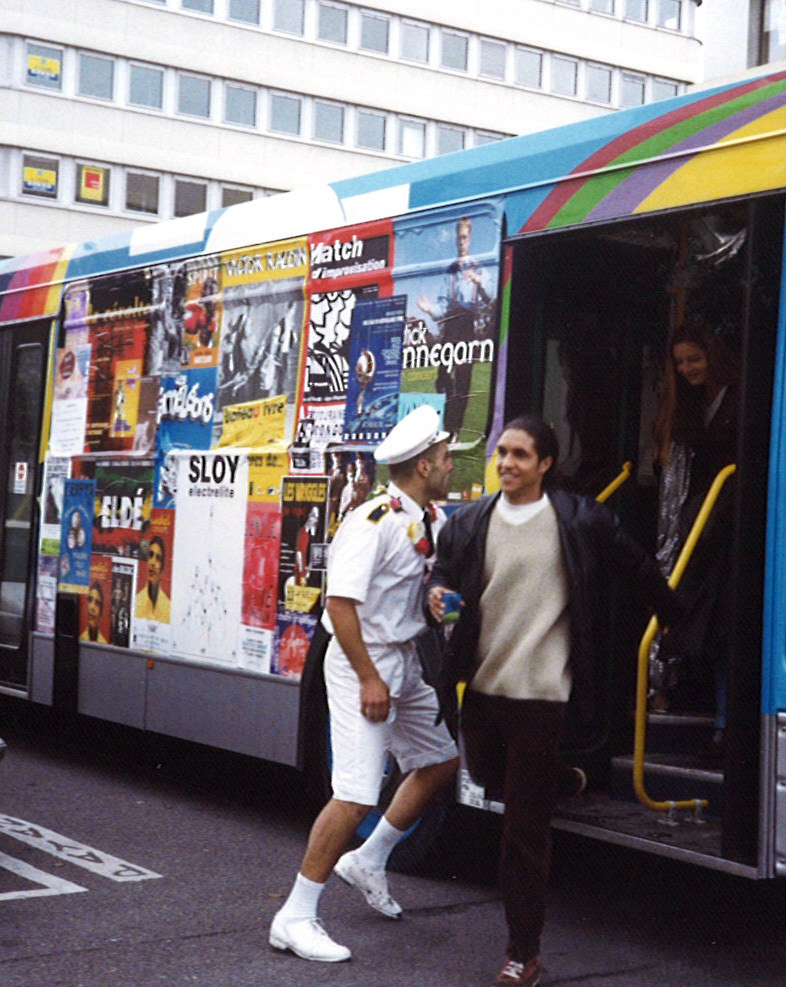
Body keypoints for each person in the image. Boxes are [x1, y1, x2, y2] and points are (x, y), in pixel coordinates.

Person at [426, 416, 681, 987]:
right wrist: (436, 595)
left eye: (520, 455)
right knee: (486, 776)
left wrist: (674, 616)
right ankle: (564, 779)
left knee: (522, 830)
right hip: (484, 687)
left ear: (546, 464)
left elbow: (638, 566)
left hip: (542, 693)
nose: (506, 463)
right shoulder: (469, 521)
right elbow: (441, 576)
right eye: (502, 453)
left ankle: (523, 953)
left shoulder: (580, 518)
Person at [269, 405, 460, 963]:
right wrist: (370, 678)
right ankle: (294, 916)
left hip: (403, 658)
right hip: (363, 663)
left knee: (440, 760)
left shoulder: (429, 520)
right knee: (354, 794)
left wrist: (434, 602)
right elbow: (339, 604)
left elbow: (411, 588)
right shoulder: (371, 521)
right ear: (423, 466)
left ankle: (369, 859)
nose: (451, 465)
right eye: (445, 457)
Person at [649, 322, 739, 713]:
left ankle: (719, 714)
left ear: (713, 356)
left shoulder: (739, 398)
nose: (687, 369)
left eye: (695, 359)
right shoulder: (689, 404)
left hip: (727, 523)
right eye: (680, 362)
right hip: (701, 522)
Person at [417, 215, 493, 442]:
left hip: (467, 324)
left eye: (464, 238)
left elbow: (489, 298)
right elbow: (442, 304)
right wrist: (430, 310)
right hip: (450, 326)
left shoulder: (480, 267)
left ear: (470, 239)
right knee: (442, 376)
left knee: (463, 378)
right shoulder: (450, 270)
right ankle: (444, 424)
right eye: (458, 238)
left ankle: (454, 430)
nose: (461, 242)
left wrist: (479, 282)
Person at [134, 535, 172, 622]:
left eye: (158, 558)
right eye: (150, 555)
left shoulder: (168, 607)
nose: (153, 563)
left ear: (162, 566)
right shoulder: (136, 601)